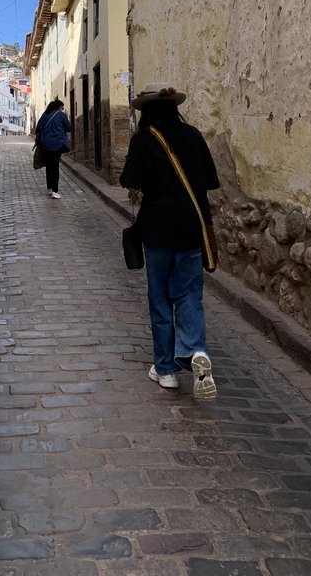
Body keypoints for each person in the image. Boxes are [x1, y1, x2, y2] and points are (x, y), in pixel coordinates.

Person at [119, 82, 219, 401]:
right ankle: (196, 350)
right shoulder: (193, 135)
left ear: (146, 111)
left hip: (158, 230)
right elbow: (210, 182)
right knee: (189, 293)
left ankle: (165, 369)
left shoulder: (143, 140)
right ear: (174, 108)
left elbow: (130, 180)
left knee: (160, 298)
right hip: (192, 228)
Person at [34, 98, 72, 199]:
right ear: (59, 107)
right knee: (55, 167)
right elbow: (69, 128)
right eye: (62, 107)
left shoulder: (45, 115)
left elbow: (38, 129)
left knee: (49, 166)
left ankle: (49, 188)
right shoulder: (61, 115)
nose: (62, 109)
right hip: (57, 145)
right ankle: (55, 191)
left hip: (45, 145)